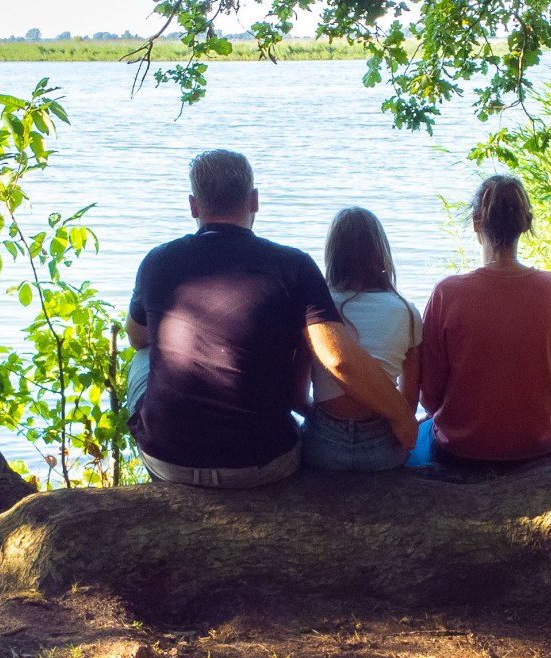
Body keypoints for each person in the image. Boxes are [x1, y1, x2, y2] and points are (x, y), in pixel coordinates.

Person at [126, 150, 417, 488]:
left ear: (194, 206)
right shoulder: (292, 266)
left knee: (145, 355)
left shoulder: (158, 261)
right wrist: (401, 417)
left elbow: (137, 337)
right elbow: (337, 357)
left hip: (168, 460)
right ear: (254, 201)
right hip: (262, 463)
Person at [419, 175, 551, 469]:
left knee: (420, 436)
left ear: (476, 223)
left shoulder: (447, 294)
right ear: (526, 223)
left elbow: (429, 398)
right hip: (540, 449)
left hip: (462, 453)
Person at [303, 208, 422, 471]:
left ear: (332, 253)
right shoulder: (406, 311)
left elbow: (297, 395)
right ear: (381, 253)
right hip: (382, 449)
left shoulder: (316, 312)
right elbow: (410, 400)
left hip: (322, 447)